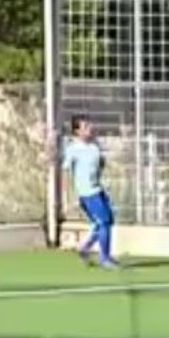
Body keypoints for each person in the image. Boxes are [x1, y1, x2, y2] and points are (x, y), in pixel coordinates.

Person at [63, 114, 119, 269]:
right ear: (77, 131)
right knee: (104, 222)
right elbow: (66, 171)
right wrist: (69, 196)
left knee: (105, 222)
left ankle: (84, 248)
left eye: (90, 125)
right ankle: (104, 258)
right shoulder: (73, 149)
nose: (90, 128)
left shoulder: (94, 146)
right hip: (87, 193)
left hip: (97, 189)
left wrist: (101, 166)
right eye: (85, 127)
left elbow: (99, 165)